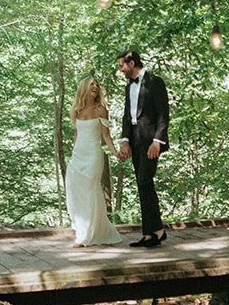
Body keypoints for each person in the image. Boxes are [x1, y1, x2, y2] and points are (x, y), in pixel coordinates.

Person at [117, 49, 169, 247]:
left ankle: (158, 230)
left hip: (150, 141)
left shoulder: (155, 82)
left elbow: (163, 114)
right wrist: (125, 140)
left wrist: (158, 141)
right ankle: (149, 234)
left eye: (122, 65)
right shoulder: (128, 86)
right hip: (135, 140)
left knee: (145, 180)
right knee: (142, 185)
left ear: (132, 63)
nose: (120, 69)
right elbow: (126, 117)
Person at [65, 77, 123, 246]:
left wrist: (115, 153)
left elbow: (106, 136)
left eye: (97, 85)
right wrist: (73, 154)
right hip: (78, 155)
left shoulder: (101, 110)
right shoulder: (77, 110)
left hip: (93, 155)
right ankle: (85, 228)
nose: (95, 87)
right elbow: (77, 134)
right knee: (76, 189)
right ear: (84, 88)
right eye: (92, 84)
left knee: (91, 191)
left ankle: (86, 236)